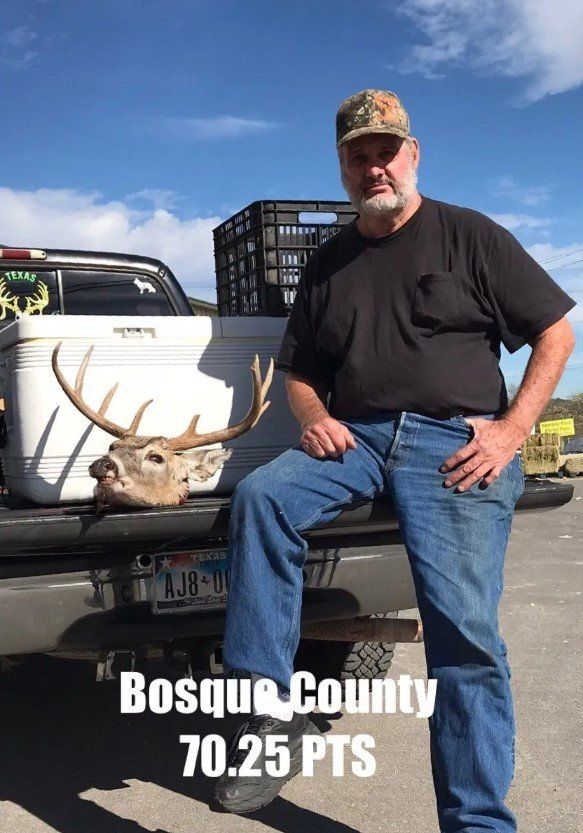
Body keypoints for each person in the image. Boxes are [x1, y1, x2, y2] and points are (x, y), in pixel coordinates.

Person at [214, 89, 576, 829]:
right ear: (342, 167)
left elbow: (554, 332)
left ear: (412, 155)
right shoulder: (327, 265)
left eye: (385, 151)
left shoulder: (470, 235)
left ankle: (475, 820)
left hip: (455, 442)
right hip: (357, 437)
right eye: (358, 155)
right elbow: (301, 374)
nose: (373, 166)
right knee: (262, 498)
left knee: (464, 637)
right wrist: (312, 418)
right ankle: (268, 714)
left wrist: (509, 432)